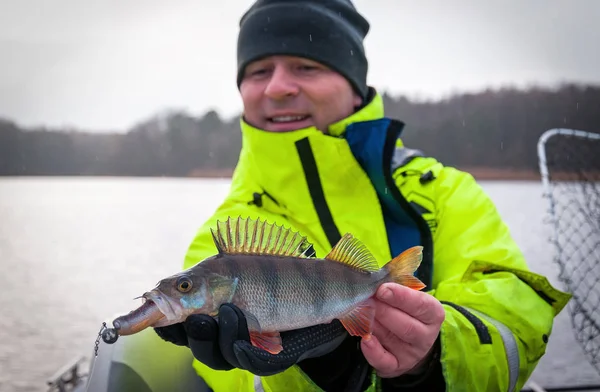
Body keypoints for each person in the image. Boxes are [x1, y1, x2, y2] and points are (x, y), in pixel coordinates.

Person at [154, 0, 571, 390]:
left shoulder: (443, 192)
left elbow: (516, 319)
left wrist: (433, 352)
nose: (278, 87)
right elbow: (236, 382)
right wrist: (323, 370)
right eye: (259, 71)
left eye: (305, 66)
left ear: (354, 83)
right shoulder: (222, 234)